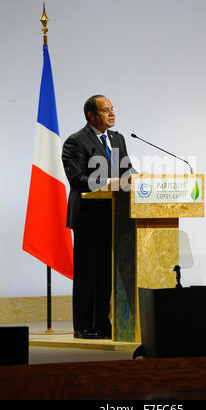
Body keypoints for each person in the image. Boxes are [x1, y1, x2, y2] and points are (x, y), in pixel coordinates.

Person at [62, 95, 134, 339]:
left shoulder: (117, 139)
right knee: (86, 273)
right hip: (88, 216)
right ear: (92, 115)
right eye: (106, 110)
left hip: (113, 216)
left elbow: (127, 171)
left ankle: (102, 324)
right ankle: (83, 327)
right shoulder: (75, 142)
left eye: (113, 109)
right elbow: (77, 180)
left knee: (105, 273)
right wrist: (109, 181)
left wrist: (137, 179)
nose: (112, 114)